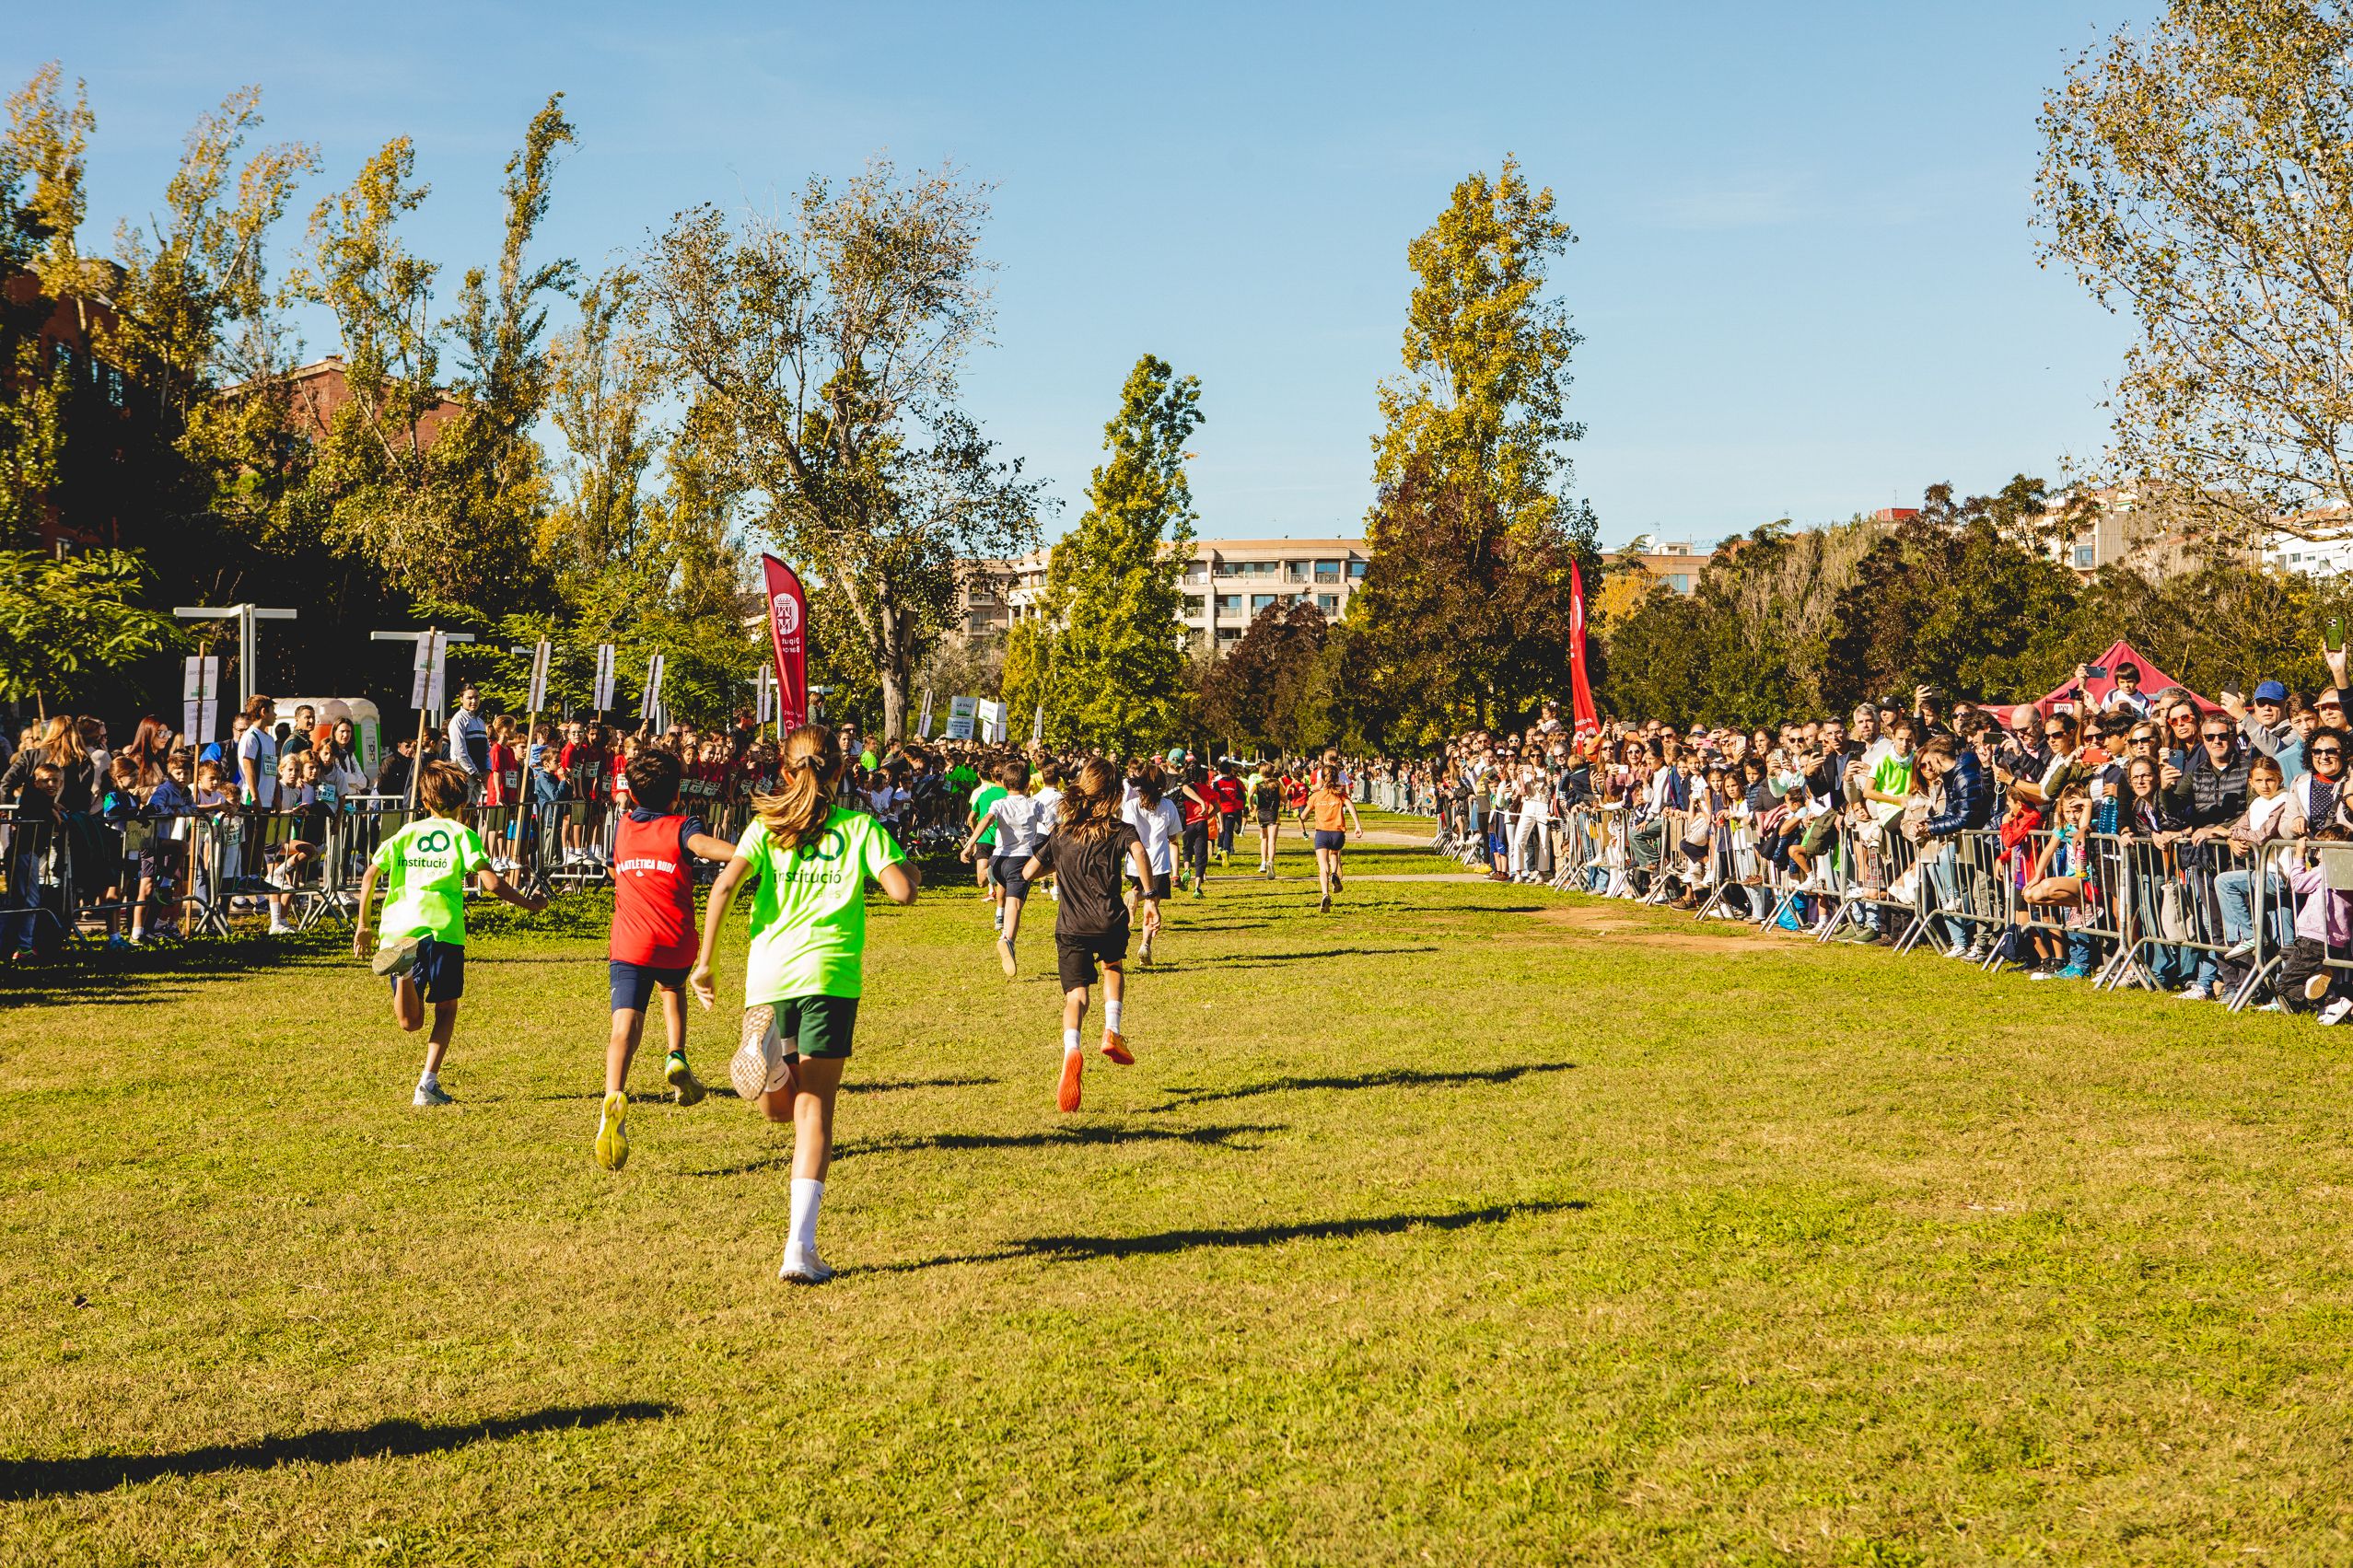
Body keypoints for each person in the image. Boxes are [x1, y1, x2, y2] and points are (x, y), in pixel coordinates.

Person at [693, 725, 918, 1284]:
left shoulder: (767, 827)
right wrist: (908, 865)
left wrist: (705, 960)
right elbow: (902, 891)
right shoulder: (859, 827)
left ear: (786, 772)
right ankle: (799, 1247)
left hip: (768, 978)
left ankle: (767, 1068)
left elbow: (722, 888)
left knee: (778, 1108)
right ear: (841, 772)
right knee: (814, 1109)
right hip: (828, 978)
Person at [352, 760, 549, 1107]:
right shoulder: (462, 835)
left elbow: (369, 876)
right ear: (463, 804)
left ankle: (405, 969)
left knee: (410, 1023)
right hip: (442, 929)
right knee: (446, 1009)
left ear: (425, 803)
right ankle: (427, 1084)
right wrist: (529, 905)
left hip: (399, 930)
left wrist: (363, 925)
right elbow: (491, 883)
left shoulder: (405, 833)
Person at [592, 749, 743, 1172]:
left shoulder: (623, 827)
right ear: (679, 792)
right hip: (675, 940)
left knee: (624, 1025)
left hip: (630, 943)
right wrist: (746, 852)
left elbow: (615, 868)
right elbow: (704, 847)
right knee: (672, 988)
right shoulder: (682, 826)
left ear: (633, 792)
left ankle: (613, 1096)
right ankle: (676, 1054)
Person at [1023, 757, 1157, 1115]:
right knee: (1113, 965)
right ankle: (1112, 1030)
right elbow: (1140, 852)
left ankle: (1072, 1051)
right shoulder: (1121, 829)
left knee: (1076, 996)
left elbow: (1029, 871)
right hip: (1110, 920)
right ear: (1114, 795)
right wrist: (1148, 897)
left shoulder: (1061, 833)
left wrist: (1060, 862)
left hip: (1071, 928)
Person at [958, 757, 1051, 978]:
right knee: (1015, 906)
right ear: (1028, 784)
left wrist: (970, 845)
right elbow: (1055, 827)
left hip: (998, 862)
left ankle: (1003, 927)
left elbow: (986, 820)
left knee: (1007, 892)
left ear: (1005, 783)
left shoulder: (999, 803)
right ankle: (1007, 939)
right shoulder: (1034, 804)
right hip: (1021, 861)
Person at [1121, 764, 1182, 966]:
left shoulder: (1131, 806)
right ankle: (1145, 945)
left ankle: (1135, 895)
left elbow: (1126, 835)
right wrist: (1176, 871)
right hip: (1158, 864)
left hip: (1134, 863)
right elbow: (1173, 839)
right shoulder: (1168, 806)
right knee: (1152, 903)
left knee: (1141, 892)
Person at [1302, 766, 1364, 914]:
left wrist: (1307, 816)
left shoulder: (1316, 796)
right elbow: (1351, 807)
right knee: (1334, 854)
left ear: (1322, 779)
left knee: (1323, 868)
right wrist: (1357, 826)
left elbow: (1303, 815)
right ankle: (1335, 874)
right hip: (1337, 833)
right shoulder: (1340, 794)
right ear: (1336, 778)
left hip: (1322, 834)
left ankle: (1325, 894)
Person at [1249, 760, 1283, 878]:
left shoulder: (1257, 785)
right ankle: (1270, 862)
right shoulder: (1277, 784)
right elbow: (1284, 798)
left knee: (1264, 838)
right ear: (1273, 772)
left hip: (1261, 813)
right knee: (1272, 841)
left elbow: (1250, 794)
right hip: (1273, 813)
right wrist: (1283, 802)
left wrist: (1251, 805)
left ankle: (1263, 862)